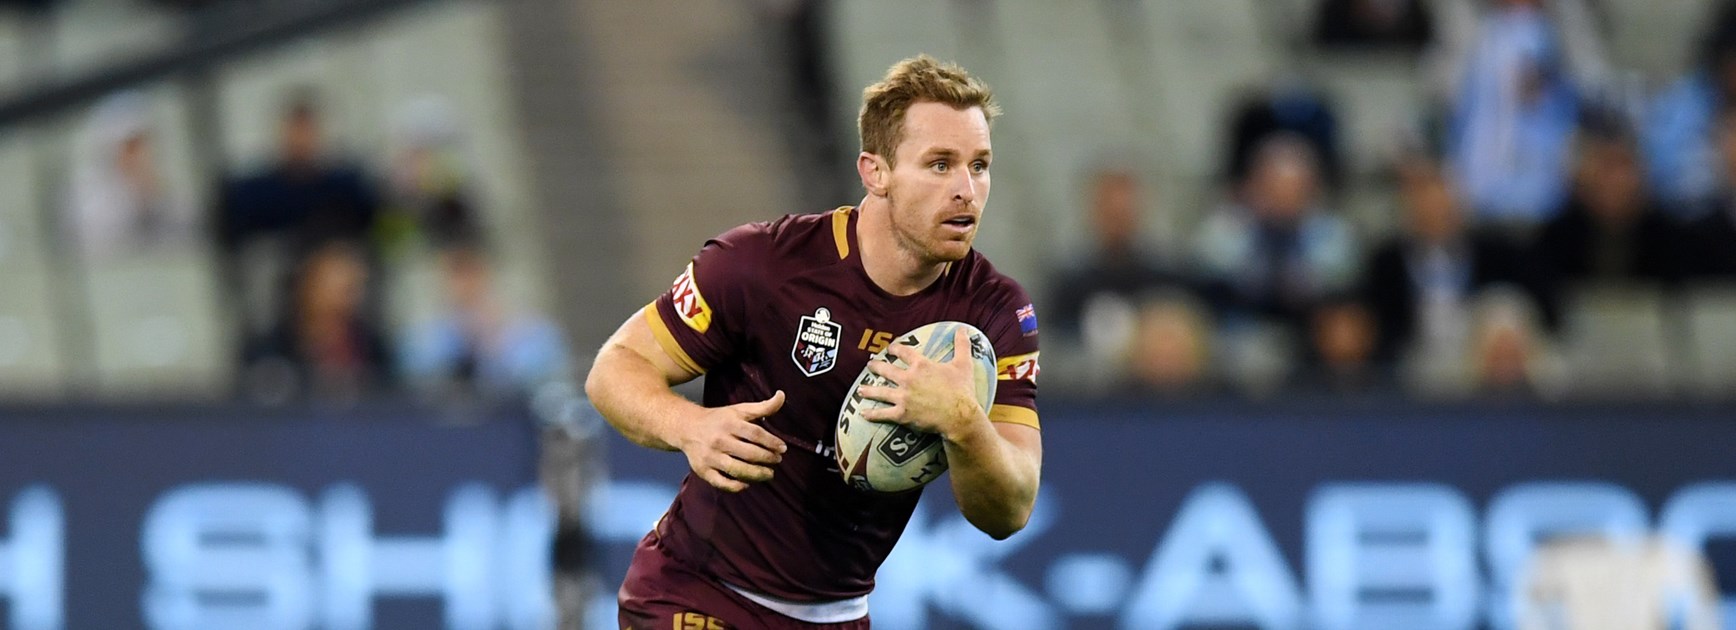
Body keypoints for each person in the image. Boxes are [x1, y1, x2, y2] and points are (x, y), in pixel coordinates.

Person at [585, 56, 1042, 629]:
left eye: (979, 166)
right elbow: (615, 368)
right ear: (875, 173)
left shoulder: (996, 313)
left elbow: (1011, 509)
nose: (965, 190)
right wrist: (689, 426)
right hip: (696, 591)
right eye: (940, 165)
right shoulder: (761, 265)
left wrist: (963, 422)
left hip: (839, 615)